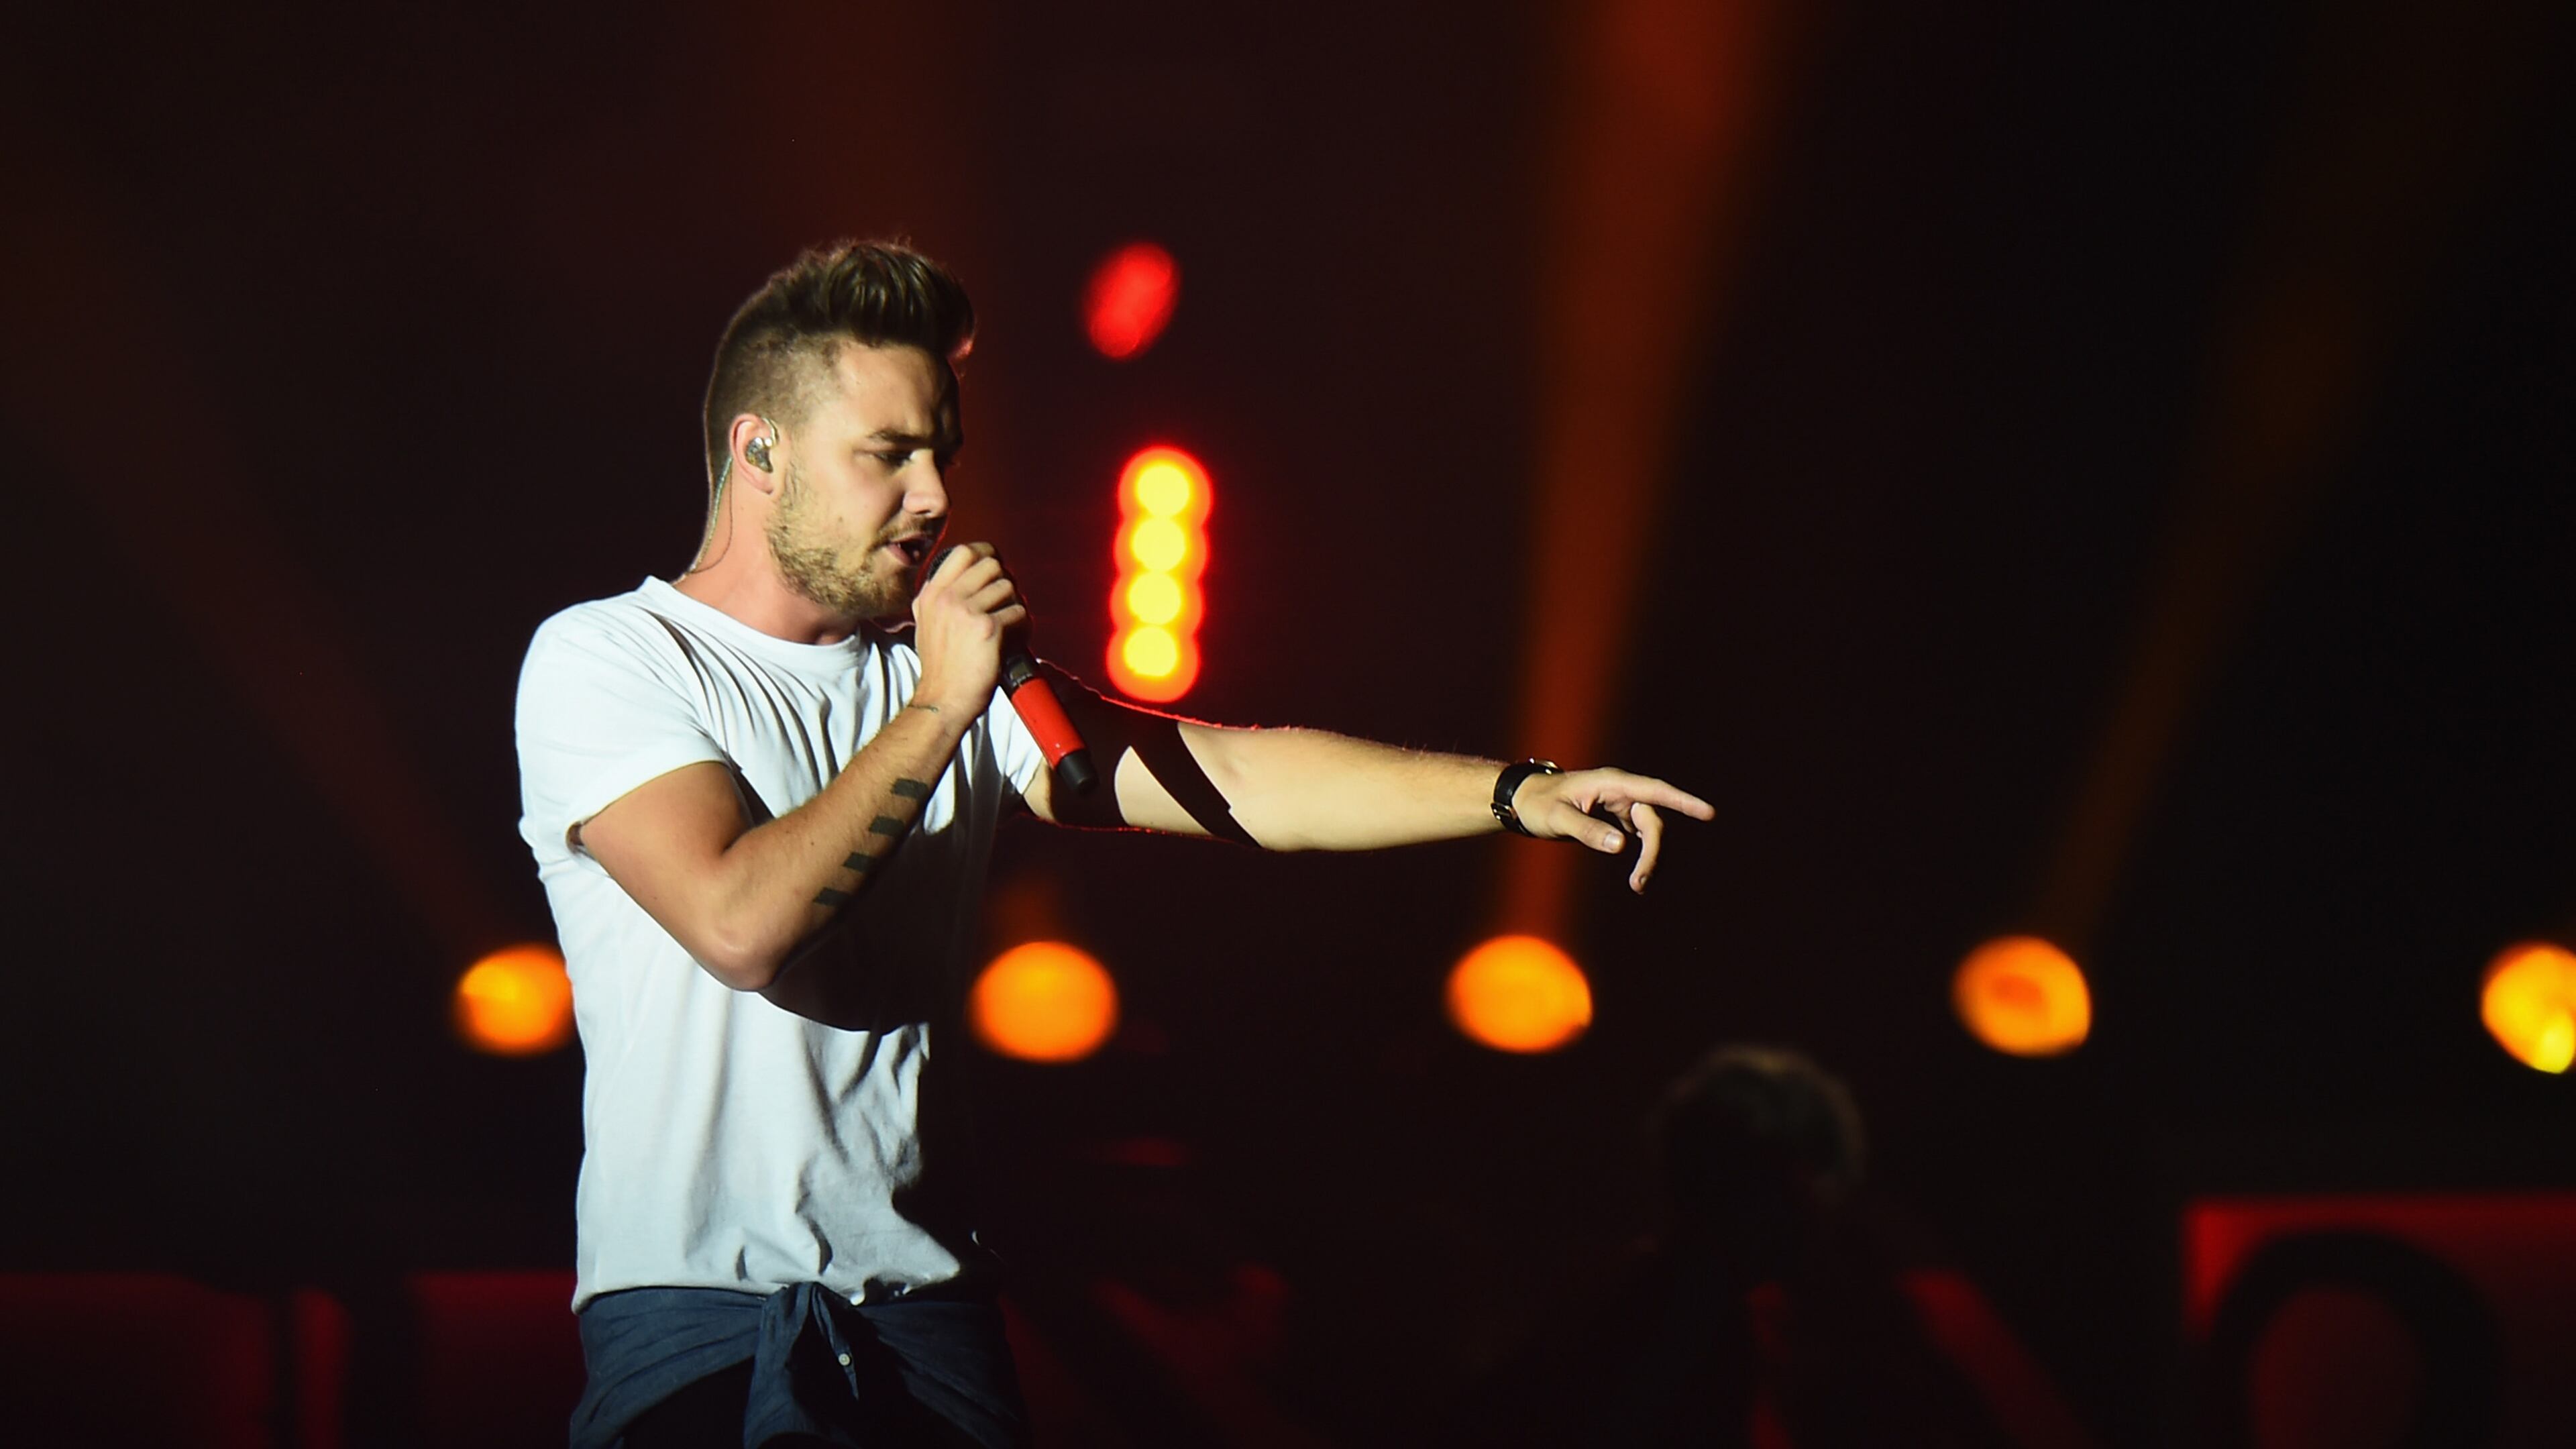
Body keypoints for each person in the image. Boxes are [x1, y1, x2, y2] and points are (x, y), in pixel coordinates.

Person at [514, 239, 1713, 1448]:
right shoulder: (611, 659)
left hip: (930, 1317)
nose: (934, 495)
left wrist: (1516, 793)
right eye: (889, 454)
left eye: (944, 454)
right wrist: (939, 708)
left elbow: (1236, 774)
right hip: (699, 1321)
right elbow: (741, 926)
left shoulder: (950, 683)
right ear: (759, 449)